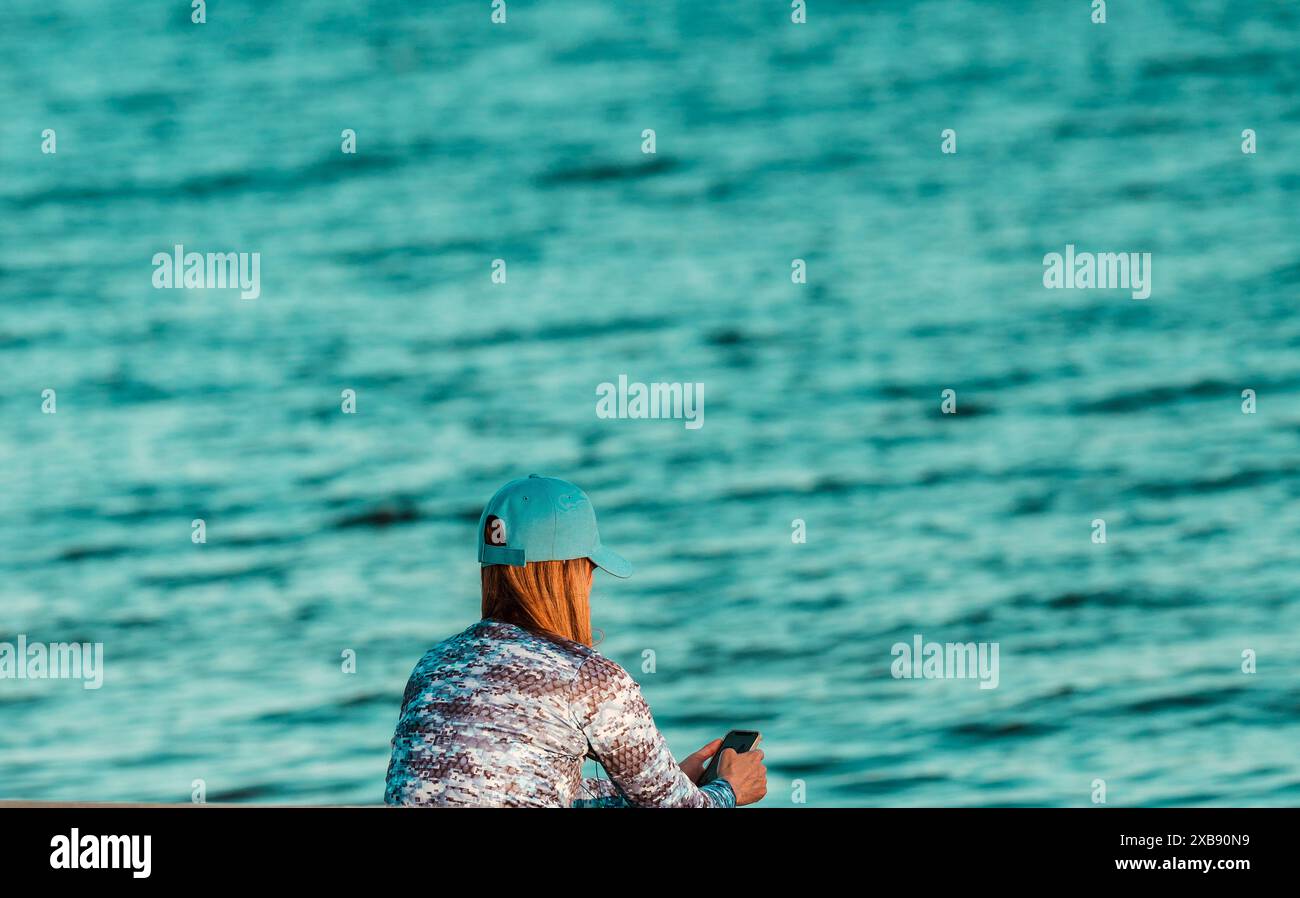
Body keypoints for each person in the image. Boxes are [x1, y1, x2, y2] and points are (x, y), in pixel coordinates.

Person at [384, 474, 767, 808]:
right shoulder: (590, 679)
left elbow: (511, 788)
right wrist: (728, 790)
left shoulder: (432, 666)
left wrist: (659, 785)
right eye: (589, 568)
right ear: (571, 575)